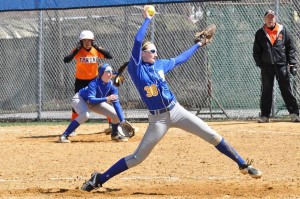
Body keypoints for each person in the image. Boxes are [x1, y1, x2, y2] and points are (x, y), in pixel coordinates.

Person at [81, 5, 262, 191]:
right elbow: (137, 40)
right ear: (142, 54)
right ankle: (99, 178)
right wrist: (147, 19)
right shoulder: (136, 68)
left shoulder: (160, 65)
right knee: (137, 158)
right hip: (158, 119)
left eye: (155, 51)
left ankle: (242, 164)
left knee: (211, 135)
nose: (155, 54)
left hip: (176, 111)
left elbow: (181, 58)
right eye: (152, 51)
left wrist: (199, 44)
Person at [58, 63, 129, 143]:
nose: (111, 73)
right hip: (80, 99)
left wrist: (122, 120)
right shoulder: (94, 83)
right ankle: (64, 136)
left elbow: (116, 103)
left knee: (116, 115)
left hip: (96, 102)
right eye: (108, 71)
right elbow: (91, 99)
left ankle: (115, 134)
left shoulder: (112, 86)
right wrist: (106, 99)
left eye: (112, 71)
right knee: (85, 114)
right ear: (102, 73)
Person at [253, 10, 300, 123]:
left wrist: (292, 63)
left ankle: (294, 114)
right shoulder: (260, 33)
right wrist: (260, 64)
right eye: (268, 17)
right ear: (264, 19)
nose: (271, 19)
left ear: (275, 18)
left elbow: (291, 48)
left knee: (286, 90)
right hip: (267, 66)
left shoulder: (283, 30)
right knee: (266, 91)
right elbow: (256, 51)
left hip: (281, 65)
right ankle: (265, 116)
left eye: (272, 17)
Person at [63, 30, 113, 136]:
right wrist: (76, 49)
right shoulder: (78, 51)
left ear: (92, 41)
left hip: (94, 81)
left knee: (105, 100)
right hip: (80, 81)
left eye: (89, 40)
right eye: (84, 40)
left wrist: (97, 47)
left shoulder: (96, 50)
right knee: (76, 104)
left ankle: (111, 124)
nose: (87, 42)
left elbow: (109, 56)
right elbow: (66, 60)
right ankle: (73, 129)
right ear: (81, 42)